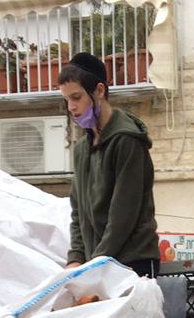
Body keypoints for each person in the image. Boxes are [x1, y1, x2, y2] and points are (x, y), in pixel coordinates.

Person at [59, 53, 161, 277]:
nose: (71, 107)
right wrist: (76, 258)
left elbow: (123, 214)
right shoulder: (81, 150)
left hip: (133, 263)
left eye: (76, 97)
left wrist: (95, 263)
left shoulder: (127, 140)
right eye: (67, 99)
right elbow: (78, 213)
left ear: (99, 91)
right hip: (97, 264)